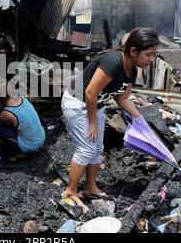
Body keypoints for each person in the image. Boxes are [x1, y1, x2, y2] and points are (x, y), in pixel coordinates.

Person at [61, 27, 160, 213]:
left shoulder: (132, 71)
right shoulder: (113, 62)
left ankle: (90, 187)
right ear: (133, 51)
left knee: (98, 148)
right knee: (86, 148)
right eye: (149, 54)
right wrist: (92, 124)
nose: (151, 59)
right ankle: (70, 192)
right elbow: (90, 92)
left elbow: (121, 98)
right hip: (77, 103)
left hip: (95, 105)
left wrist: (140, 120)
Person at [0, 82, 46, 160]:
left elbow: (11, 125)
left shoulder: (6, 113)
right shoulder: (22, 98)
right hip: (42, 137)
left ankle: (20, 152)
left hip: (31, 146)